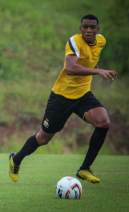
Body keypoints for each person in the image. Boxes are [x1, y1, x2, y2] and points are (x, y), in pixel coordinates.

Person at [9, 14, 117, 184]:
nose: (89, 30)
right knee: (43, 138)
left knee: (103, 122)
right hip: (62, 96)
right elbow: (71, 68)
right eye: (85, 27)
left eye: (92, 27)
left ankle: (84, 169)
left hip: (83, 95)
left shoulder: (101, 41)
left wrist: (95, 68)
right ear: (80, 29)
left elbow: (92, 58)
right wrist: (98, 71)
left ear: (98, 29)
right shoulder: (74, 41)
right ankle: (16, 159)